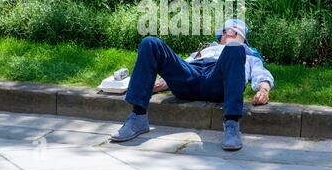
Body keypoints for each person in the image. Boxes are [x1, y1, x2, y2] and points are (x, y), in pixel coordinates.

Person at [110, 19, 275, 151]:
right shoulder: (204, 50)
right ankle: (138, 117)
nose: (229, 33)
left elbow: (262, 75)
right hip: (190, 79)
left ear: (244, 39)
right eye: (225, 31)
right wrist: (163, 83)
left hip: (217, 82)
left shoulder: (246, 54)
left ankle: (232, 124)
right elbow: (183, 67)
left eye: (235, 31)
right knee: (150, 42)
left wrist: (264, 90)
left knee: (233, 49)